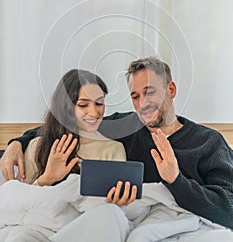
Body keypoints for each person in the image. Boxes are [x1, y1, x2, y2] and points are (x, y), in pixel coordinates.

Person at [1, 57, 233, 231]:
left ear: (170, 90)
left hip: (181, 225)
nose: (143, 103)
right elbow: (68, 123)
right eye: (135, 96)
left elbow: (229, 209)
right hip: (126, 222)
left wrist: (176, 181)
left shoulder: (208, 142)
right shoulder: (127, 127)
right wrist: (17, 143)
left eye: (149, 92)